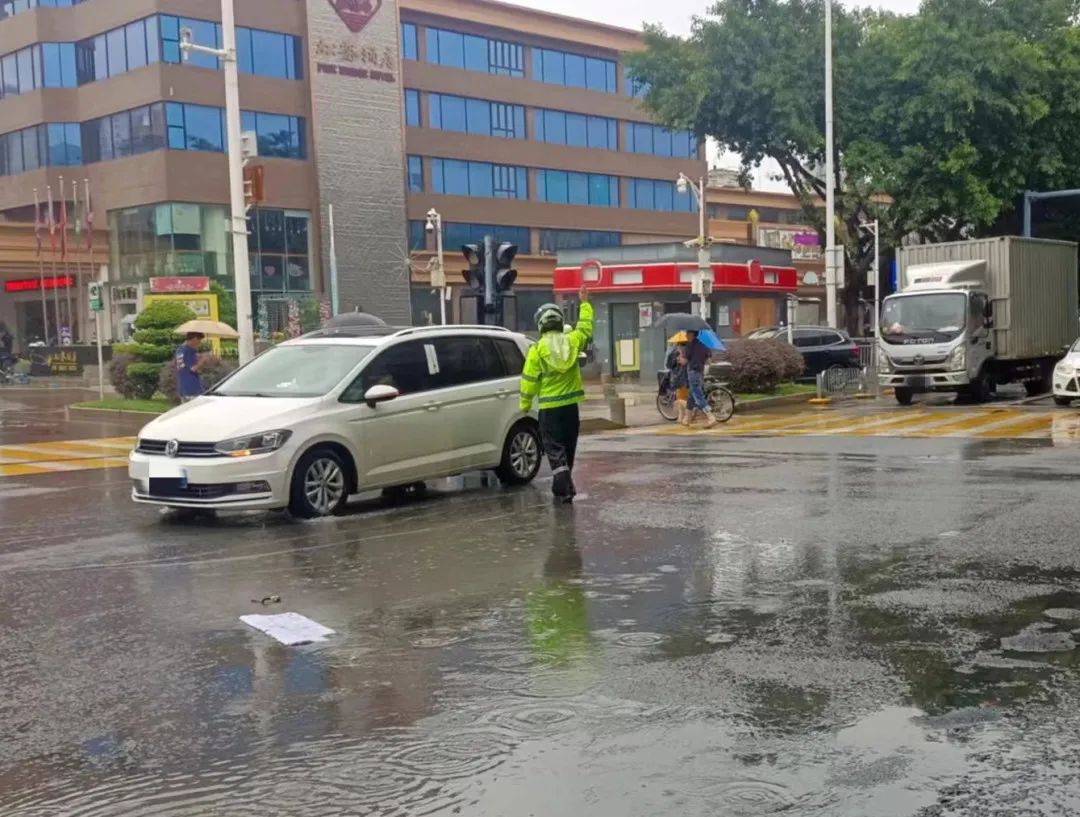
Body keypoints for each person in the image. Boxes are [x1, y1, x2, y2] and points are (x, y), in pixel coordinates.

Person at [520, 285, 594, 502]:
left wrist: (524, 405)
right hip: (571, 407)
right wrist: (585, 303)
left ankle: (562, 488)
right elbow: (586, 328)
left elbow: (529, 381)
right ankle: (565, 484)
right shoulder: (572, 341)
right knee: (568, 447)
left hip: (549, 410)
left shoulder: (537, 350)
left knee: (554, 449)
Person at [683, 329, 717, 428]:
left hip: (693, 373)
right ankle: (687, 419)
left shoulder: (689, 345)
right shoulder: (703, 344)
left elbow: (684, 361)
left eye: (687, 333)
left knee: (698, 396)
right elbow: (709, 358)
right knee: (691, 396)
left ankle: (711, 417)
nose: (686, 335)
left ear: (692, 334)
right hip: (700, 373)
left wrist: (680, 357)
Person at [175, 332, 206, 402]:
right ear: (194, 339)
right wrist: (202, 361)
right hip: (192, 388)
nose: (199, 343)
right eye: (199, 341)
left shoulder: (179, 350)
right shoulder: (189, 351)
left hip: (183, 387)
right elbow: (193, 369)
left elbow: (184, 368)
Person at [665, 341, 690, 424]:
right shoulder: (688, 350)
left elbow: (668, 365)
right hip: (686, 377)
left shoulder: (676, 352)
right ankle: (680, 417)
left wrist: (677, 360)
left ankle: (690, 413)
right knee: (682, 397)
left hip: (679, 377)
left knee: (680, 399)